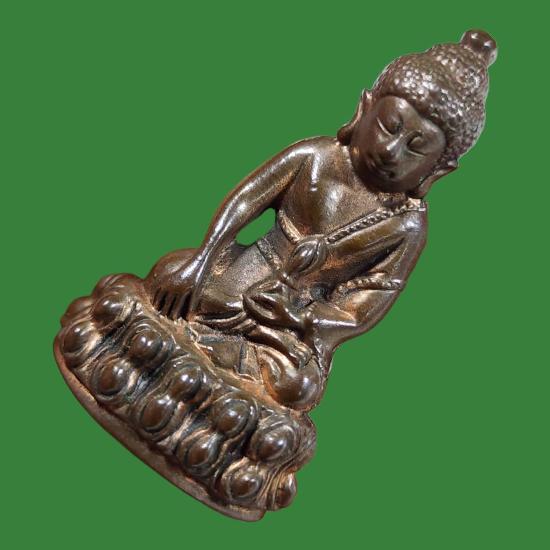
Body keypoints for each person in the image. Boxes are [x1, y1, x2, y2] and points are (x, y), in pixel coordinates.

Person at [146, 30, 497, 410]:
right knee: (169, 273)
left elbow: (364, 304)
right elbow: (245, 200)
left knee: (298, 386)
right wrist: (201, 262)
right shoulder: (316, 156)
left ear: (438, 170)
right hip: (240, 274)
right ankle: (212, 376)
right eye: (389, 126)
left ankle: (190, 367)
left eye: (416, 148)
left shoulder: (406, 227)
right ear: (364, 110)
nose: (391, 151)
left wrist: (301, 318)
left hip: (293, 320)